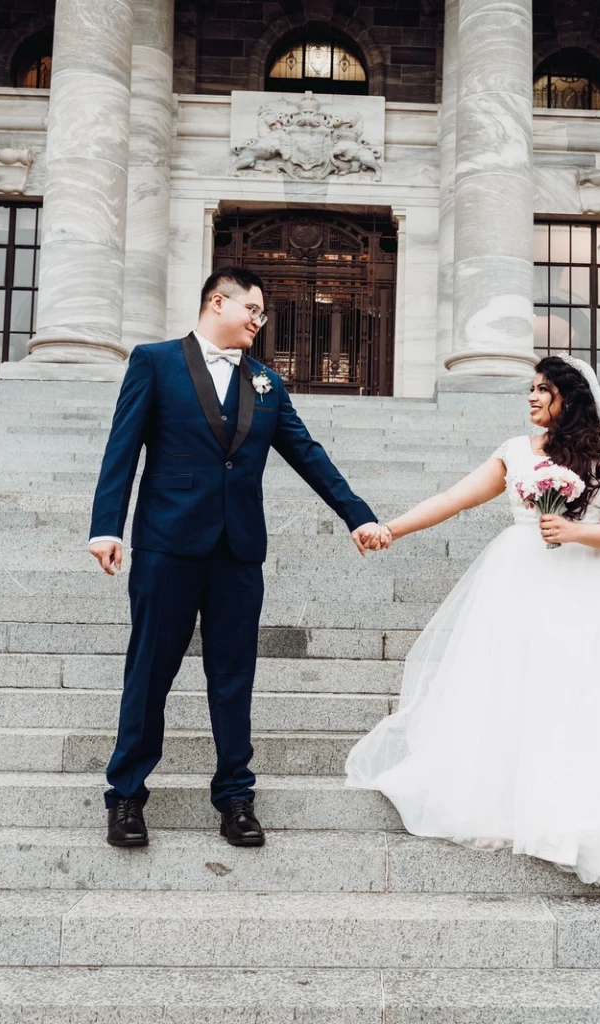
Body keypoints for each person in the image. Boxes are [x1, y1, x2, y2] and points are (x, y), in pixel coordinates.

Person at [346, 355, 600, 912]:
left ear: (569, 398)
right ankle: (503, 809)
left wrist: (575, 530)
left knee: (571, 694)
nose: (530, 398)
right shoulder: (514, 451)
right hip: (517, 583)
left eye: (542, 389)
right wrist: (389, 528)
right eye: (529, 388)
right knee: (510, 689)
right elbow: (453, 499)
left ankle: (564, 814)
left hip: (582, 587)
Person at [89, 266, 386, 850]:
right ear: (217, 302)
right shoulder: (155, 361)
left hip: (238, 553)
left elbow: (308, 453)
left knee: (234, 678)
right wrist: (106, 528)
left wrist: (359, 514)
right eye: (253, 309)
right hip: (166, 546)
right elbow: (121, 447)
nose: (260, 320)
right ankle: (126, 795)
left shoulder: (266, 381)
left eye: (262, 314)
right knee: (149, 671)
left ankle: (235, 797)